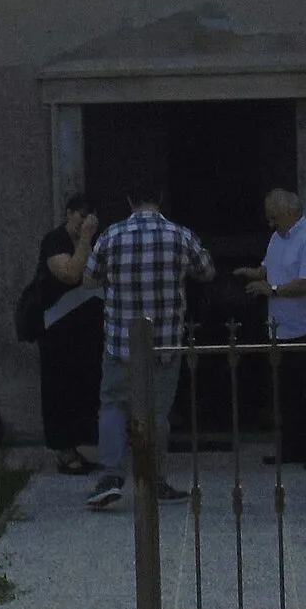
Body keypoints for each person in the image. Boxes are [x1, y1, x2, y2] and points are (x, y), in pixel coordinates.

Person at [81, 180, 215, 512]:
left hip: (120, 341)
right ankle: (154, 479)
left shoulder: (111, 236)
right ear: (161, 200)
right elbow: (208, 271)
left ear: (129, 200)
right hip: (165, 343)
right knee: (157, 414)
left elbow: (89, 279)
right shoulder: (180, 236)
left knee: (113, 406)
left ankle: (111, 476)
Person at [244, 187, 306, 467]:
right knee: (287, 394)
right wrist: (255, 274)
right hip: (281, 328)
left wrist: (271, 289)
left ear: (292, 213)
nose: (270, 223)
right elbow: (270, 268)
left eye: (275, 217)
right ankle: (292, 448)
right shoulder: (277, 238)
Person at [33, 196, 102, 474]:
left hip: (84, 332)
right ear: (68, 214)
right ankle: (63, 451)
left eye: (89, 220)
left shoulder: (90, 244)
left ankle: (79, 447)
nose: (83, 224)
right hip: (57, 330)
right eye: (79, 217)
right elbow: (71, 273)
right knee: (59, 390)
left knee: (82, 389)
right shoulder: (55, 241)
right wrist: (85, 237)